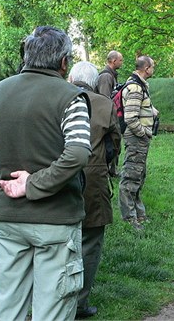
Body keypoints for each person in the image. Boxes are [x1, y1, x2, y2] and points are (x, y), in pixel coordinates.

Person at [0, 26, 91, 320]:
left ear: (27, 56)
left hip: (8, 220)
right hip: (56, 220)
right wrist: (32, 183)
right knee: (51, 311)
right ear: (64, 62)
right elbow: (79, 151)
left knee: (7, 308)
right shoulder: (71, 96)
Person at [68, 62, 121, 319]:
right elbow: (114, 143)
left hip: (57, 176)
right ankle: (79, 303)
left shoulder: (57, 97)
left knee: (59, 240)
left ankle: (52, 299)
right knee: (90, 240)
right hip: (94, 177)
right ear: (93, 81)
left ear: (70, 77)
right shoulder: (104, 104)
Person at [119, 56, 157, 230]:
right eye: (153, 67)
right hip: (136, 139)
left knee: (139, 176)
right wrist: (143, 134)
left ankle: (139, 215)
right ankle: (129, 219)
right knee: (130, 178)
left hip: (140, 139)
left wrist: (151, 111)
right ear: (146, 68)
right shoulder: (135, 87)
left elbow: (139, 109)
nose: (153, 69)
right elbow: (131, 118)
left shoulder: (140, 84)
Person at [97, 50, 124, 177]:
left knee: (115, 142)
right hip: (107, 116)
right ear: (113, 61)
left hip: (113, 114)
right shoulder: (106, 76)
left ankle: (113, 170)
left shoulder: (112, 75)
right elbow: (104, 99)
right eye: (120, 60)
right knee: (110, 142)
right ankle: (107, 170)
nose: (121, 62)